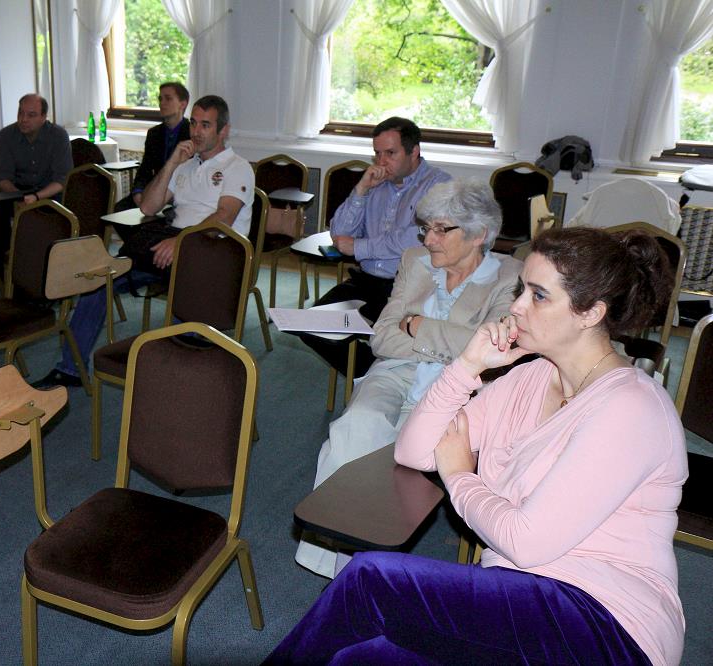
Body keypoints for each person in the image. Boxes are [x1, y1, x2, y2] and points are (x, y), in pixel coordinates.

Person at [268, 226, 686, 665]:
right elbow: (414, 451)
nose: (517, 307)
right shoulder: (531, 377)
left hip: (605, 626)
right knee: (357, 659)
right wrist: (467, 365)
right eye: (521, 290)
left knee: (371, 579)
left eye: (538, 296)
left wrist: (459, 475)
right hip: (520, 599)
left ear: (590, 313)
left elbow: (525, 542)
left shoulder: (630, 407)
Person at [295, 179, 522, 578]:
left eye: (441, 229)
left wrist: (417, 326)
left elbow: (490, 350)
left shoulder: (509, 276)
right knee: (355, 426)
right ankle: (336, 557)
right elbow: (382, 337)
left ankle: (365, 554)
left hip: (460, 389)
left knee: (403, 451)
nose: (429, 239)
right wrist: (451, 342)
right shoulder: (415, 260)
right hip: (397, 371)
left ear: (479, 234)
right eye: (426, 228)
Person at [37, 94, 253, 388]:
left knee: (184, 298)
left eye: (206, 125)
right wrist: (173, 162)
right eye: (193, 123)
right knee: (99, 280)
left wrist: (182, 242)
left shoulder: (237, 167)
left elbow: (223, 218)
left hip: (213, 253)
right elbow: (149, 207)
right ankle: (71, 368)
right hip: (171, 246)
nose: (197, 132)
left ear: (223, 130)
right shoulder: (185, 165)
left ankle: (175, 376)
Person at [301, 117, 451, 378]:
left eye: (390, 153)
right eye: (377, 154)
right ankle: (370, 374)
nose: (381, 162)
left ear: (414, 152)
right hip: (367, 281)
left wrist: (360, 248)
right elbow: (339, 233)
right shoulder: (375, 184)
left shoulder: (438, 186)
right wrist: (361, 190)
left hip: (413, 288)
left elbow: (416, 238)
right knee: (310, 325)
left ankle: (379, 375)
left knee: (393, 339)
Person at [0, 94, 73, 288]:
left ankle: (45, 272)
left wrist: (35, 197)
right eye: (21, 113)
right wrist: (18, 196)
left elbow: (62, 180)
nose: (24, 119)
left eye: (31, 115)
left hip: (49, 193)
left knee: (46, 216)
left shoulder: (58, 136)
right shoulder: (7, 135)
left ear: (43, 117)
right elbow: (1, 177)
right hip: (16, 191)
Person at [113, 82, 190, 213]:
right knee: (119, 209)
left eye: (168, 98)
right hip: (154, 189)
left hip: (178, 193)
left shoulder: (191, 133)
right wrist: (138, 192)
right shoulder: (154, 133)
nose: (162, 103)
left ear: (182, 104)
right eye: (160, 99)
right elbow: (145, 168)